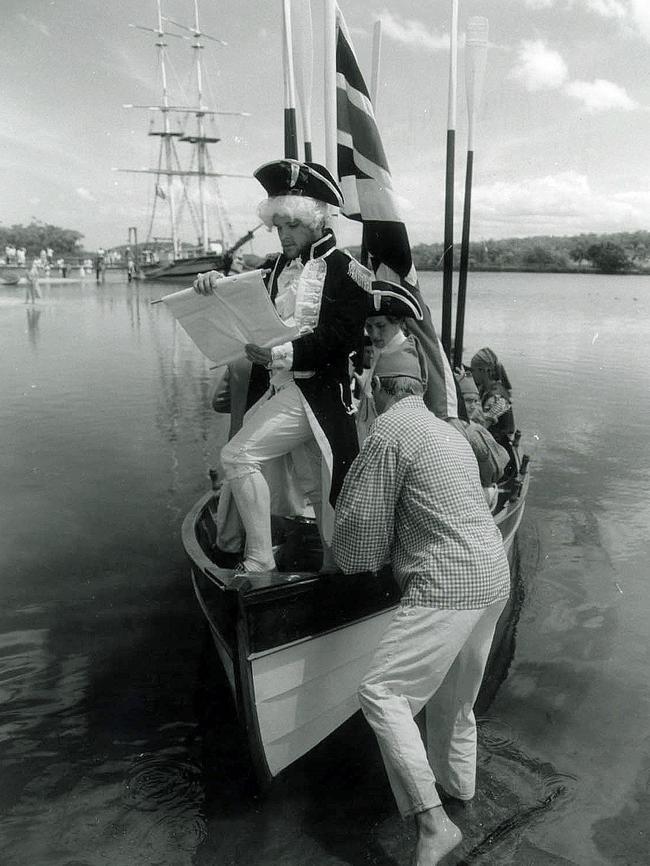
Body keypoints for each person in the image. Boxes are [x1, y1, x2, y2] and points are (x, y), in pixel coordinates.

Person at [333, 343, 510, 866]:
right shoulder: (446, 431)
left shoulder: (388, 432)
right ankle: (462, 798)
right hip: (492, 572)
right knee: (455, 706)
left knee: (382, 692)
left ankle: (435, 825)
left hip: (448, 584)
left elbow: (359, 547)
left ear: (380, 388)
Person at [193, 158, 369, 573]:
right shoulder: (271, 268)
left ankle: (261, 560)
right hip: (280, 391)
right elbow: (236, 302)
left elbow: (341, 340)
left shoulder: (349, 272)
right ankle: (331, 569)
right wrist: (208, 284)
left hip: (319, 395)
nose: (283, 234)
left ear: (317, 220)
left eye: (291, 225)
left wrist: (280, 354)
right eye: (278, 225)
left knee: (240, 457)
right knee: (315, 486)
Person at [355, 279, 426, 444]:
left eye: (381, 326)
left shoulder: (405, 359)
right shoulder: (384, 351)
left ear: (399, 322)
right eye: (369, 327)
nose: (375, 335)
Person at [470, 347, 514, 446]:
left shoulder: (495, 398)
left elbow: (482, 427)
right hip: (493, 440)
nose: (471, 374)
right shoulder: (487, 387)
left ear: (482, 371)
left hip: (498, 447)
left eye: (473, 370)